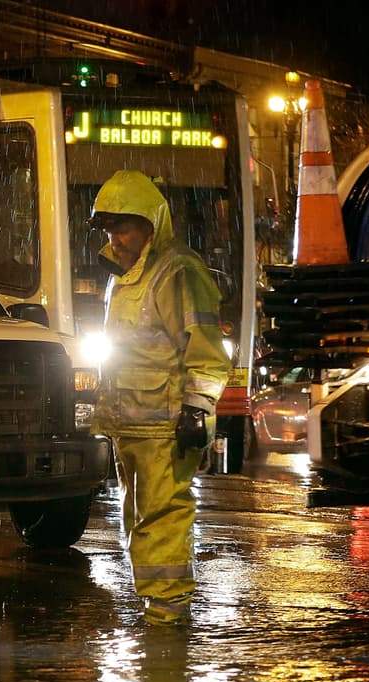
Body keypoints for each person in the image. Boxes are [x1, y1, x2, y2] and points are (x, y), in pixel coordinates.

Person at [88, 170, 231, 625]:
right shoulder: (123, 276)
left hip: (164, 424)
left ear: (152, 224)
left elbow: (206, 350)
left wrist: (198, 409)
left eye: (124, 227)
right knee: (139, 519)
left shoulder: (178, 271)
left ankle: (167, 615)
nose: (117, 238)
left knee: (163, 518)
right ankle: (156, 606)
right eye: (111, 228)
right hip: (129, 422)